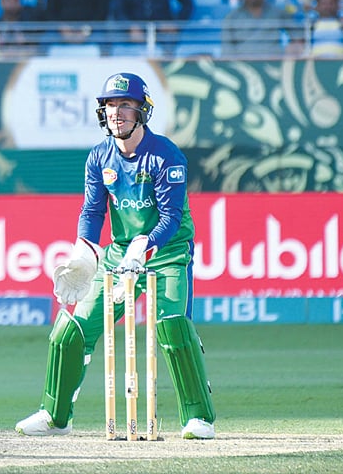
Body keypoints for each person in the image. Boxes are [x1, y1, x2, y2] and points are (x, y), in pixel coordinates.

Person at [15, 72, 216, 440]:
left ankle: (199, 417)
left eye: (126, 105)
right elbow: (92, 213)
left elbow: (171, 218)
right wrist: (83, 256)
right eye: (110, 106)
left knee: (171, 325)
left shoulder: (166, 155)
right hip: (118, 255)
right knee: (70, 329)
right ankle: (56, 416)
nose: (117, 113)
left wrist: (145, 246)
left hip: (167, 253)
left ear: (142, 112)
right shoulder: (99, 157)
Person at [221, 0, 300, 57]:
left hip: (275, 64)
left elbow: (298, 36)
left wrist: (293, 48)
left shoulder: (278, 12)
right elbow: (227, 52)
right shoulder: (231, 18)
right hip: (244, 67)